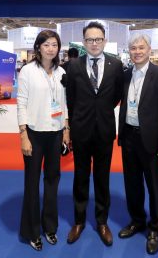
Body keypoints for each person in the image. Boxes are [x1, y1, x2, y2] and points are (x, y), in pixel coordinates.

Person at [65, 21, 123, 246]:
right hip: (81, 130)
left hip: (105, 131)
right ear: (84, 42)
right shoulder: (73, 66)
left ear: (105, 41)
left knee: (102, 177)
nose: (94, 43)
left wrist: (101, 111)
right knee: (80, 177)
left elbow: (116, 96)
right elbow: (70, 99)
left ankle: (102, 222)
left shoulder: (116, 65)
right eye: (90, 39)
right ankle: (79, 221)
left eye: (98, 39)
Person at [117, 33, 158, 255]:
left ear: (149, 49)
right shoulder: (125, 75)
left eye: (141, 47)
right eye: (133, 48)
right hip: (129, 137)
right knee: (132, 184)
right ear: (129, 51)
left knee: (154, 186)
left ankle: (154, 229)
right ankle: (137, 221)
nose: (137, 52)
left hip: (152, 141)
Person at [17, 30, 69, 251]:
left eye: (54, 45)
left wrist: (66, 130)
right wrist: (23, 135)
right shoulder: (27, 71)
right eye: (46, 44)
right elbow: (21, 103)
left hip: (55, 133)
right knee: (32, 183)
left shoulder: (61, 72)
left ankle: (50, 227)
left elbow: (64, 103)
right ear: (38, 47)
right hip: (34, 134)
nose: (50, 49)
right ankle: (32, 231)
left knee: (52, 181)